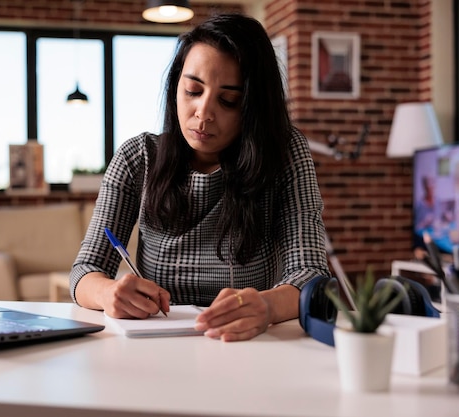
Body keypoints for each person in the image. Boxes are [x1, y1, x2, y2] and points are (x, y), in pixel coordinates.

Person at [69, 13, 330, 342]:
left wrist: (267, 307)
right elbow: (83, 272)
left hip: (246, 346)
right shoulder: (137, 157)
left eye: (228, 100)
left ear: (253, 107)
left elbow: (311, 273)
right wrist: (109, 293)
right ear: (175, 86)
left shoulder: (284, 153)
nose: (203, 113)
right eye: (193, 90)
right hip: (157, 348)